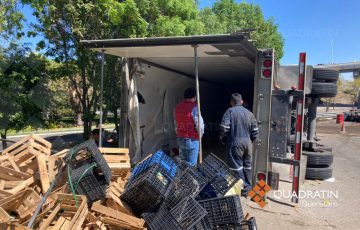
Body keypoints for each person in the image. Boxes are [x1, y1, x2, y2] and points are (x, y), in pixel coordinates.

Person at [220, 93, 259, 197]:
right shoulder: (250, 113)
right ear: (242, 101)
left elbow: (224, 128)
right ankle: (249, 190)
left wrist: (223, 138)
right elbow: (255, 131)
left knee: (237, 168)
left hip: (235, 143)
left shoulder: (230, 111)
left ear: (231, 103)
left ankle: (242, 190)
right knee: (248, 167)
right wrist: (250, 140)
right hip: (248, 143)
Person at [175, 87, 204, 166]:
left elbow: (176, 122)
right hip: (192, 139)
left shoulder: (177, 107)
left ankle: (182, 175)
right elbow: (199, 125)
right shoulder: (194, 108)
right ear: (195, 97)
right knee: (191, 164)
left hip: (180, 138)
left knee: (183, 164)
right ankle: (189, 176)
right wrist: (200, 135)